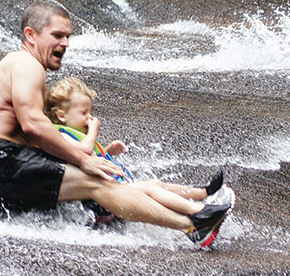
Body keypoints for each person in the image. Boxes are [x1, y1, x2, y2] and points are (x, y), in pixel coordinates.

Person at [0, 0, 232, 247]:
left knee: (87, 185)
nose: (65, 43)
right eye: (57, 35)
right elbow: (32, 124)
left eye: (68, 36)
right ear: (31, 35)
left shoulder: (17, 68)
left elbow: (35, 137)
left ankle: (195, 210)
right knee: (95, 181)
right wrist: (83, 159)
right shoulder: (25, 64)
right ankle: (193, 226)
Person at [44, 76, 224, 217]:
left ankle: (202, 193)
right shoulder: (60, 135)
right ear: (61, 116)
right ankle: (198, 212)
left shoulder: (76, 133)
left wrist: (107, 152)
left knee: (155, 183)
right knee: (150, 189)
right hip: (100, 202)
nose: (90, 118)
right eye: (84, 113)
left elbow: (88, 161)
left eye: (91, 112)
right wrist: (93, 132)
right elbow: (82, 151)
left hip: (111, 191)